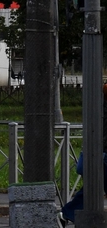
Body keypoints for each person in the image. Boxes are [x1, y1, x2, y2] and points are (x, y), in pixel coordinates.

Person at [58, 83, 107, 226]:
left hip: (99, 154)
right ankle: (66, 213)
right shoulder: (103, 108)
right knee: (92, 189)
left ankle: (66, 214)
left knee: (91, 190)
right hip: (102, 155)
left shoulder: (100, 106)